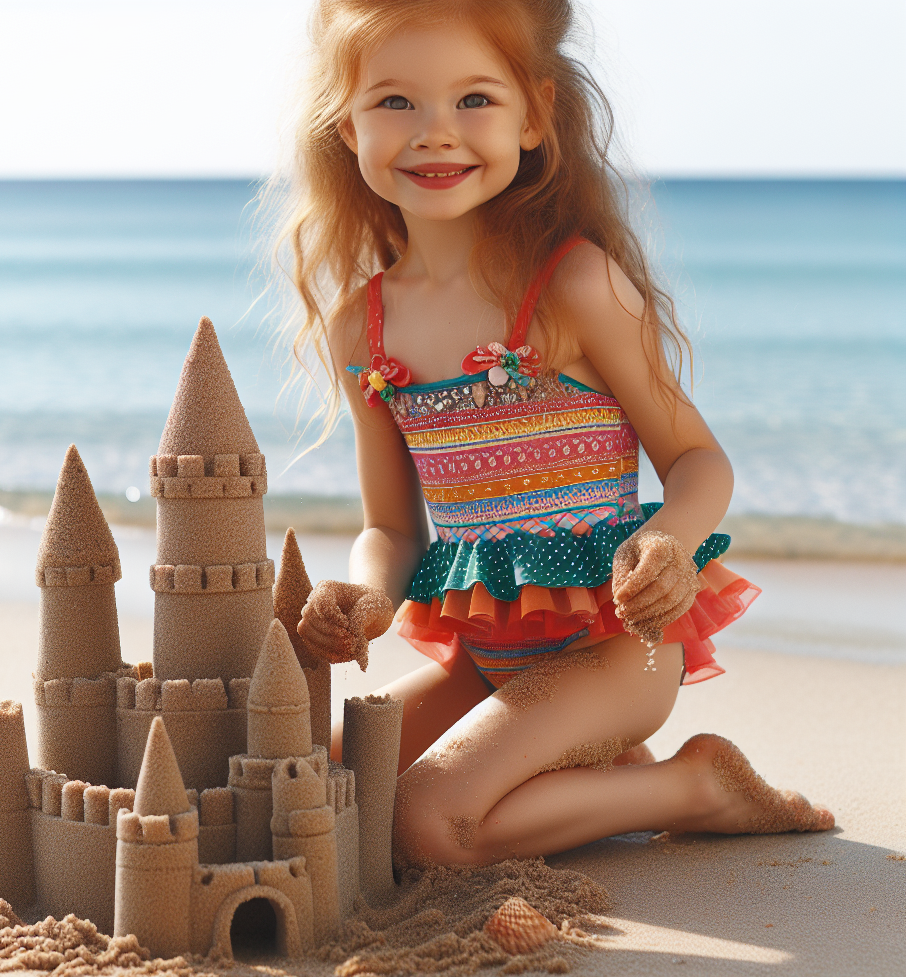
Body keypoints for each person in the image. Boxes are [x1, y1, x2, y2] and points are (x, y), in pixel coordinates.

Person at [275, 0, 834, 868]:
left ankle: (698, 786)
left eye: (474, 101)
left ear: (533, 115)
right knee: (326, 785)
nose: (435, 133)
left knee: (426, 820)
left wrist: (668, 545)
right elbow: (391, 526)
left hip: (615, 649)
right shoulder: (365, 329)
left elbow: (696, 461)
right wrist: (370, 595)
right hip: (490, 654)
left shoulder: (570, 283)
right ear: (344, 127)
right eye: (395, 103)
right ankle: (596, 770)